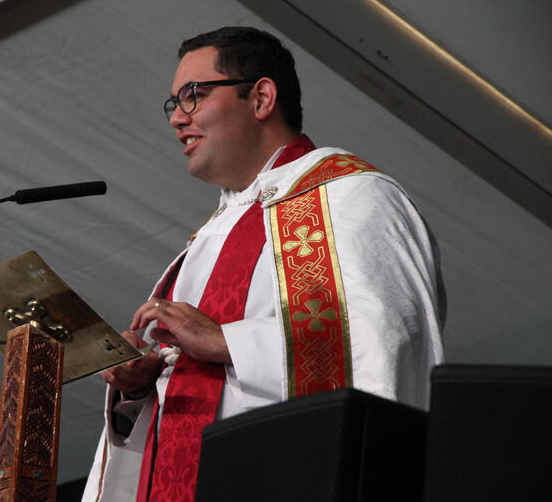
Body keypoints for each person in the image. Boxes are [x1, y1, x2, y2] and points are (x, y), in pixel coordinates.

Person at [81, 26, 445, 502]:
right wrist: (143, 381)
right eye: (173, 103)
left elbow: (388, 345)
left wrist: (225, 339)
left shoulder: (349, 197)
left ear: (261, 97)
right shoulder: (210, 235)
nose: (176, 118)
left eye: (192, 95)